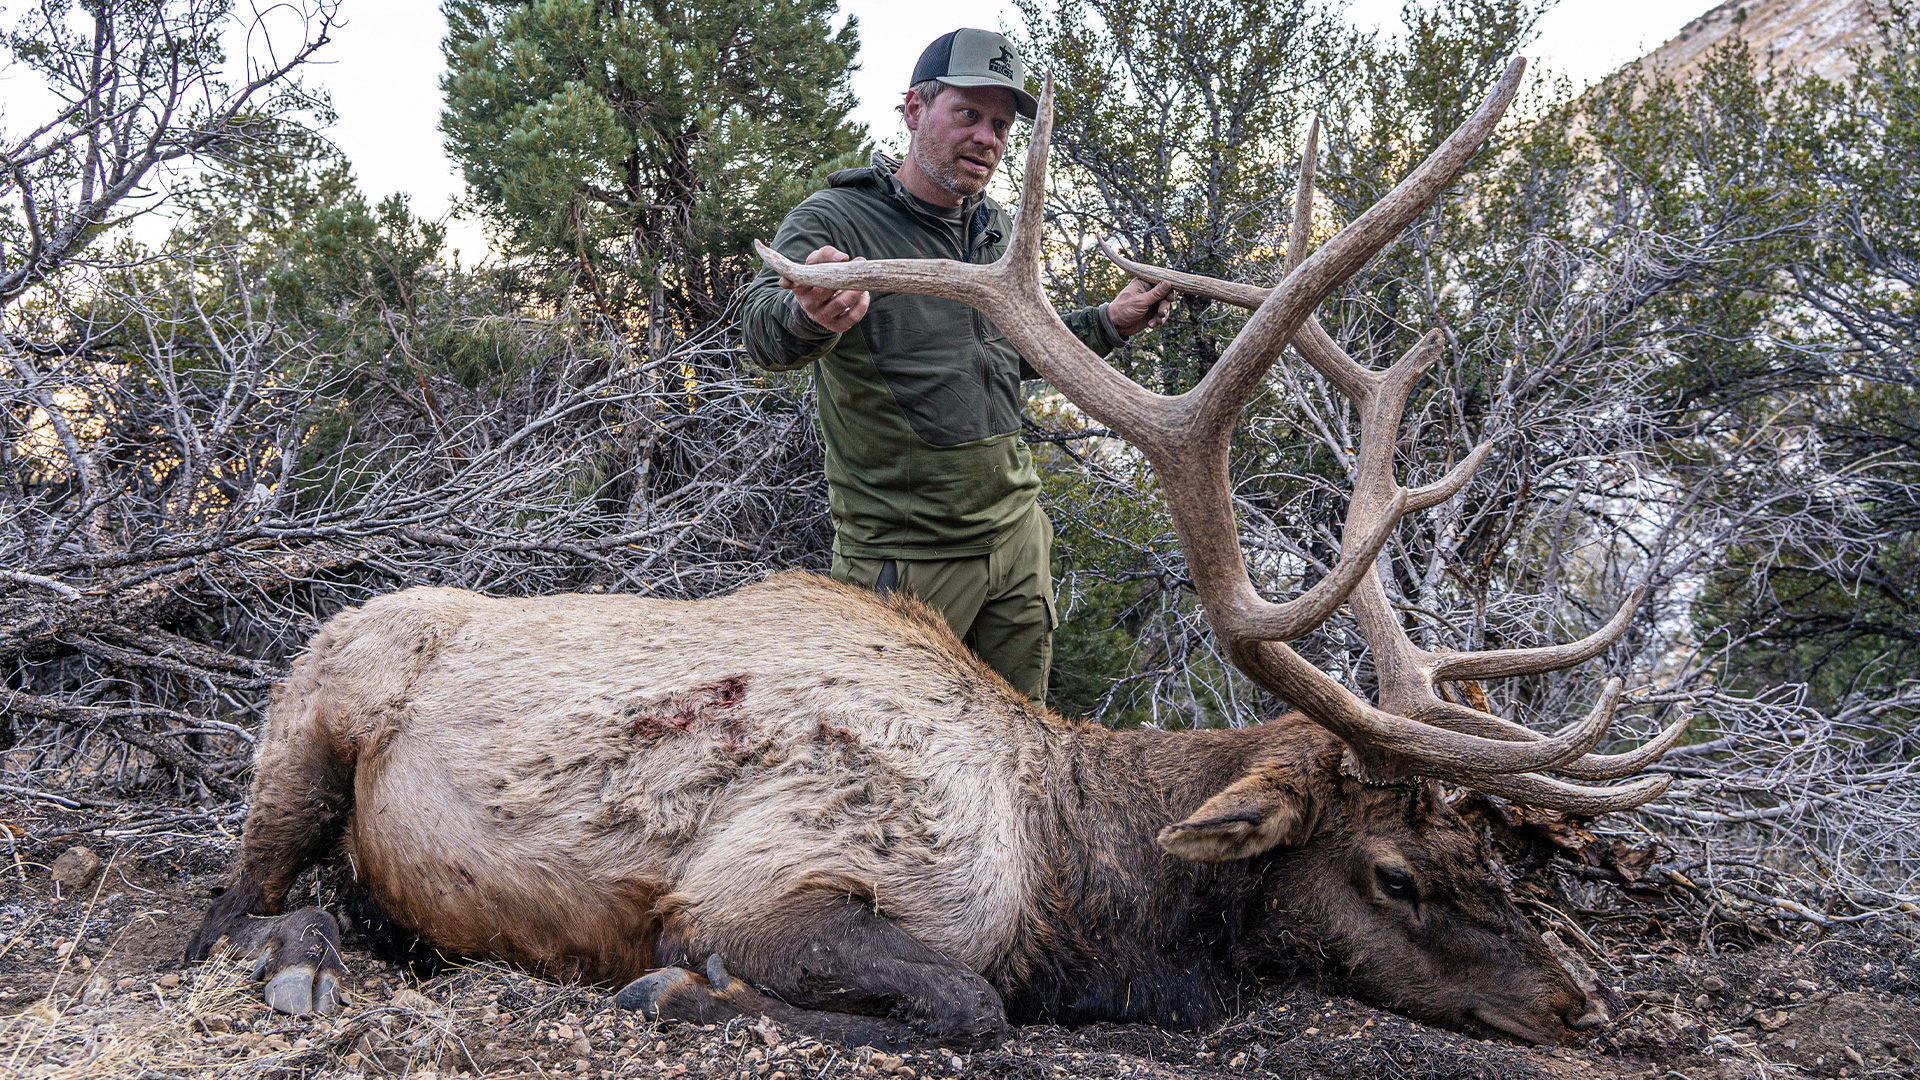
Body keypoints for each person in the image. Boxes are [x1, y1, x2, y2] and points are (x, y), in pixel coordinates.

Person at [739, 28, 1172, 703]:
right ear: (915, 108)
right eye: (968, 113)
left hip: (1016, 542)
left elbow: (1006, 354)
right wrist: (808, 316)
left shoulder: (994, 227)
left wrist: (1109, 323)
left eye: (1001, 125)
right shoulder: (837, 219)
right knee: (889, 749)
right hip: (908, 561)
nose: (987, 138)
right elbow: (762, 333)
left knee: (1019, 744)